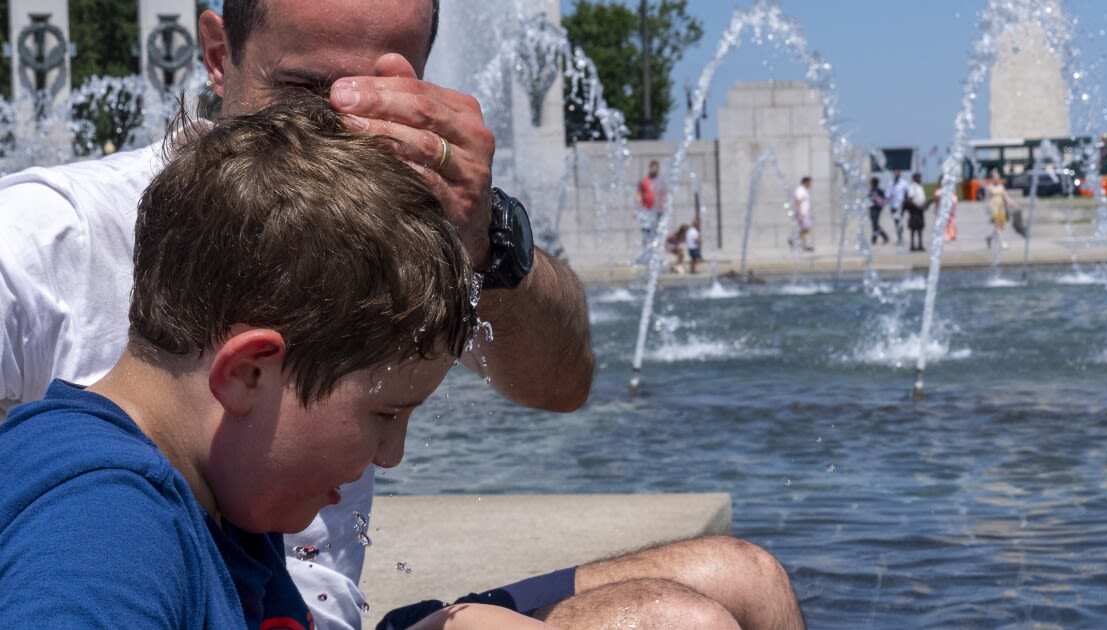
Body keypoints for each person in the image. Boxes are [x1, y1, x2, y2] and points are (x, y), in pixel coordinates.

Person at [0, 2, 805, 629]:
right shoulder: (58, 244)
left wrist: (485, 236)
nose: (345, 130)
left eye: (392, 98)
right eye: (306, 91)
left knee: (748, 583)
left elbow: (564, 384)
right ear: (218, 56)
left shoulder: (228, 478)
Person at [0, 101, 549, 630]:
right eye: (386, 414)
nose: (392, 455)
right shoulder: (107, 526)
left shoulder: (220, 487)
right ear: (249, 373)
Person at [984, 170, 1021, 249]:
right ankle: (1001, 243)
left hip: (1001, 208)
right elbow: (986, 199)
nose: (996, 178)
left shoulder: (1001, 187)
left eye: (998, 177)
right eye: (995, 177)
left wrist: (1014, 204)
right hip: (993, 208)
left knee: (1001, 227)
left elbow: (1007, 198)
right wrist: (987, 209)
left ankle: (990, 239)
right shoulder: (989, 187)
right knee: (997, 226)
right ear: (992, 178)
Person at [636, 159, 667, 255]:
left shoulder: (661, 182)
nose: (654, 170)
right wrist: (637, 209)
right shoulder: (644, 181)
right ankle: (646, 252)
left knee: (657, 233)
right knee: (646, 232)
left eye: (656, 168)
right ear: (649, 168)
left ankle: (655, 252)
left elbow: (666, 196)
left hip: (658, 211)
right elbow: (638, 195)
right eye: (652, 167)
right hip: (647, 211)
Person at [904, 172, 928, 252]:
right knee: (913, 228)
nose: (920, 179)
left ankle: (920, 245)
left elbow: (922, 198)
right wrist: (918, 207)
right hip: (915, 210)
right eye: (918, 177)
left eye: (920, 177)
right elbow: (910, 200)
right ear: (914, 178)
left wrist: (925, 205)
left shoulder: (920, 187)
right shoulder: (912, 187)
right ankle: (912, 245)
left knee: (920, 228)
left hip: (920, 210)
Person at [885, 170, 909, 247]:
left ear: (900, 175)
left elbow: (907, 192)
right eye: (895, 175)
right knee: (896, 222)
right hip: (893, 206)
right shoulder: (891, 183)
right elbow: (887, 194)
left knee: (900, 221)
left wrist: (906, 200)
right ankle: (899, 237)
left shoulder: (904, 183)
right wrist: (889, 196)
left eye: (897, 174)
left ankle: (901, 237)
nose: (896, 176)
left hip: (901, 206)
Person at [792, 176, 814, 251]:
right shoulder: (800, 190)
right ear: (805, 182)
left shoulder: (804, 190)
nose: (810, 184)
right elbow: (798, 202)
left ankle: (798, 242)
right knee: (805, 229)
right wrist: (800, 214)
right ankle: (800, 243)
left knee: (806, 229)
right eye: (809, 183)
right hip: (802, 213)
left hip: (805, 213)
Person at [935, 175, 959, 242]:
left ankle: (951, 234)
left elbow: (954, 199)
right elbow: (937, 201)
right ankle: (944, 235)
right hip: (942, 210)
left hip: (950, 210)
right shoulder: (939, 191)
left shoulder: (951, 190)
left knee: (951, 222)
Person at [868, 176, 889, 245]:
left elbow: (882, 200)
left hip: (875, 209)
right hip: (873, 208)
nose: (869, 182)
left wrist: (877, 199)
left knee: (875, 224)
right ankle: (875, 238)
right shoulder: (872, 189)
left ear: (873, 182)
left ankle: (882, 237)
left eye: (871, 181)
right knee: (874, 224)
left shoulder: (876, 190)